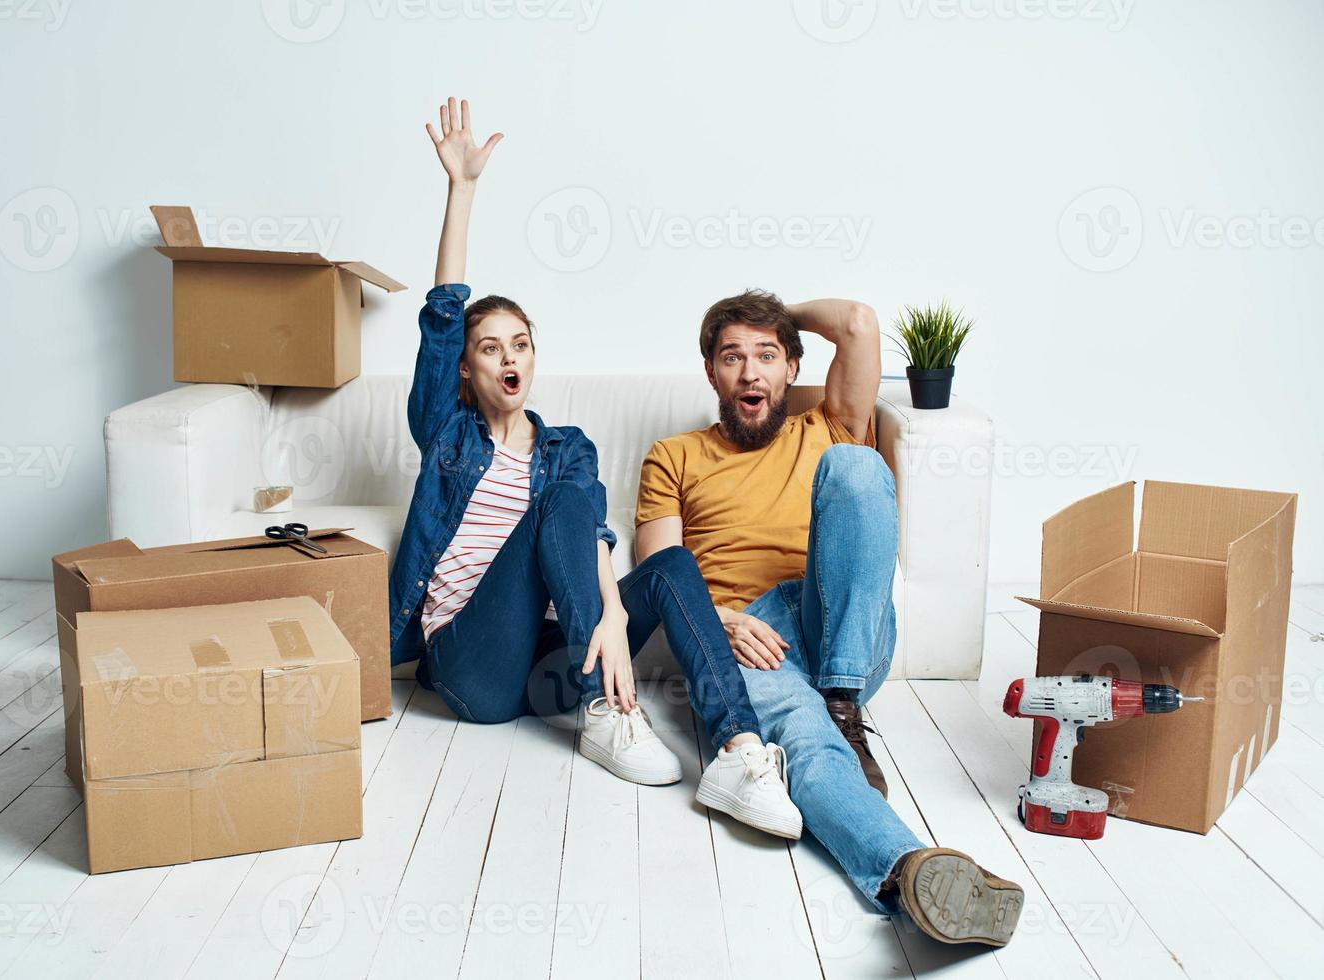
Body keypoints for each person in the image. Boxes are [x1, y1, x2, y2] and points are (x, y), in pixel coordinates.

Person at [387, 98, 801, 838]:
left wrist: (611, 610)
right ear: (465, 371)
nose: (509, 357)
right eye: (490, 347)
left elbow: (596, 537)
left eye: (521, 343)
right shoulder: (446, 433)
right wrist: (463, 190)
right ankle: (612, 712)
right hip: (471, 670)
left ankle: (737, 750)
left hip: (553, 669)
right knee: (556, 507)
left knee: (669, 564)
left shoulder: (564, 446)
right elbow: (442, 314)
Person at [634, 289, 1025, 946]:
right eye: (732, 357)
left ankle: (841, 698)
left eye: (766, 355)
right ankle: (909, 870)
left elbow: (857, 323)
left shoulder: (825, 427)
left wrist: (776, 312)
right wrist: (721, 618)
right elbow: (658, 572)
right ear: (711, 373)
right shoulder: (674, 455)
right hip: (748, 637)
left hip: (838, 620)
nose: (750, 372)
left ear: (792, 366)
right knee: (807, 748)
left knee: (853, 465)